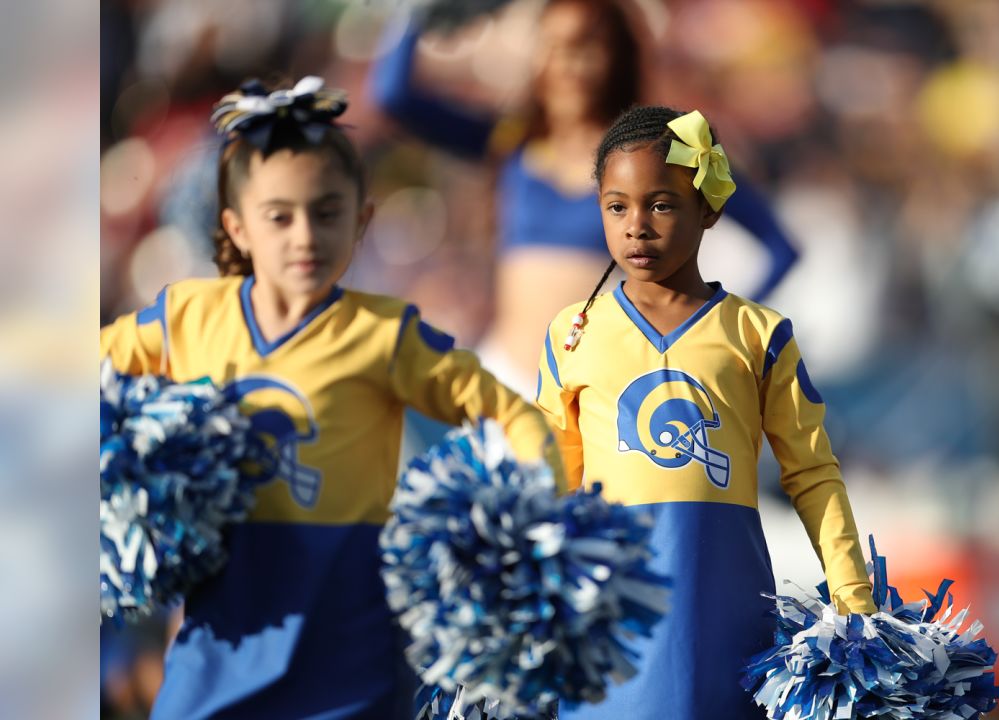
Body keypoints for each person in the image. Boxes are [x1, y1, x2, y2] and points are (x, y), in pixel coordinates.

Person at [100, 76, 563, 719]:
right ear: (234, 228)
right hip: (220, 658)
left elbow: (506, 412)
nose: (302, 238)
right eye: (278, 217)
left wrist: (538, 510)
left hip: (349, 661)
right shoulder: (186, 318)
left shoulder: (383, 335)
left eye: (326, 213)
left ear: (359, 220)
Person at [534, 105, 875, 719]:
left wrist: (855, 603)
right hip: (609, 629)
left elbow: (812, 474)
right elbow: (551, 485)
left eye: (661, 204)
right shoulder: (571, 337)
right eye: (617, 207)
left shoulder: (758, 332)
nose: (637, 226)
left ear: (709, 208)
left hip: (728, 619)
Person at [369, 0, 798, 396]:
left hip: (601, 396)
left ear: (618, 57)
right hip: (503, 384)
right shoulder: (512, 141)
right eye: (551, 47)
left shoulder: (660, 148)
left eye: (584, 48)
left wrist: (708, 338)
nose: (566, 66)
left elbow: (780, 248)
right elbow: (393, 96)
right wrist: (414, 12)